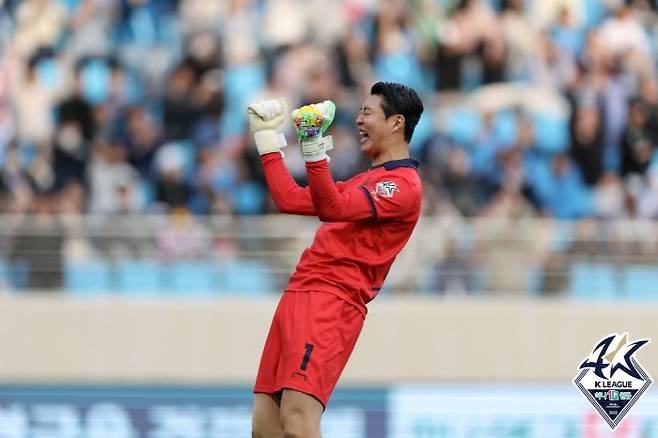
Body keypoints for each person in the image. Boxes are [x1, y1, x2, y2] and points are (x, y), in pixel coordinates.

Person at [246, 82, 424, 438]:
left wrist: (313, 146)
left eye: (367, 112)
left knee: (298, 422)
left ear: (396, 123)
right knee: (265, 428)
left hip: (332, 300)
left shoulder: (403, 185)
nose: (358, 120)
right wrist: (266, 137)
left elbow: (331, 208)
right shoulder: (366, 180)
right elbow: (289, 199)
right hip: (298, 292)